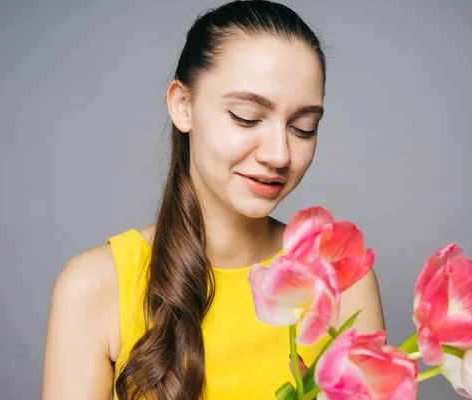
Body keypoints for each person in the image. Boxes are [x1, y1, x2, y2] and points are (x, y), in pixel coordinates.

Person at [41, 1, 385, 399]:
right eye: (246, 117)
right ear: (182, 106)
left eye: (303, 128)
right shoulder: (94, 287)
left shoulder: (341, 278)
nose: (280, 154)